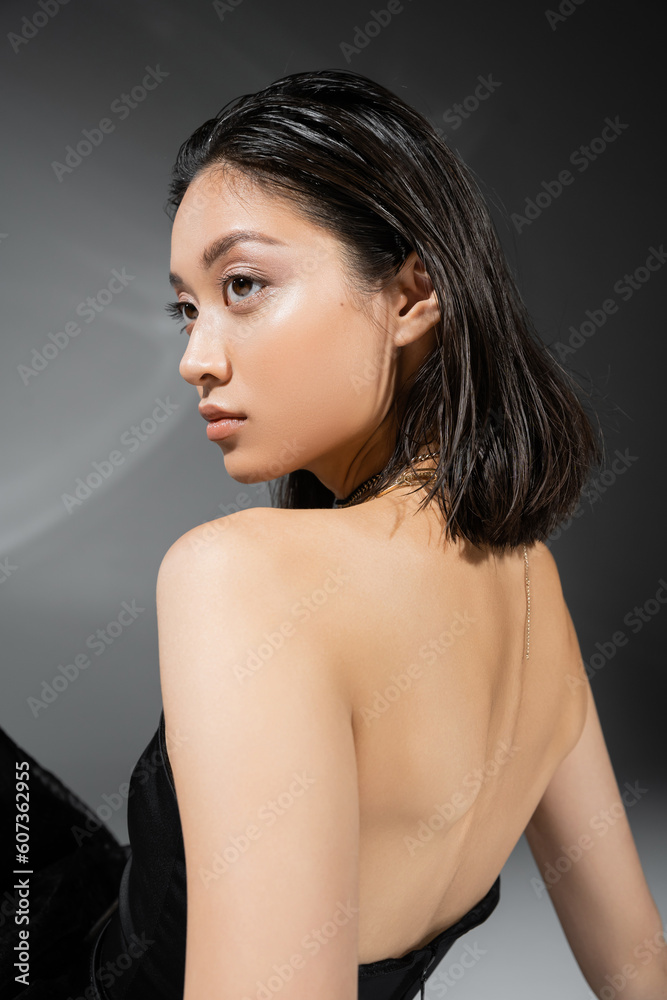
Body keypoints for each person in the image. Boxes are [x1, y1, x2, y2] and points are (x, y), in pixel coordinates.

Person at [1, 68, 665, 1000]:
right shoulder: (529, 577)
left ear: (409, 294)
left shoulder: (239, 575)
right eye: (187, 308)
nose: (196, 358)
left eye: (243, 285)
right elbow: (639, 970)